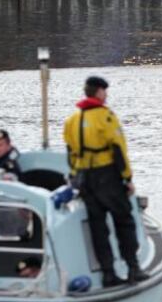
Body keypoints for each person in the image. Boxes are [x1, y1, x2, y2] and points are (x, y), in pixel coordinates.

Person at [63, 76, 149, 287]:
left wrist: (75, 177)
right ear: (99, 93)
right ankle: (133, 268)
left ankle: (108, 273)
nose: (106, 95)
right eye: (105, 91)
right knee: (124, 221)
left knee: (98, 228)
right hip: (107, 176)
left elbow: (70, 153)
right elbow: (118, 149)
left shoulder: (72, 120)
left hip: (85, 178)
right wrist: (127, 178)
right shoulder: (106, 117)